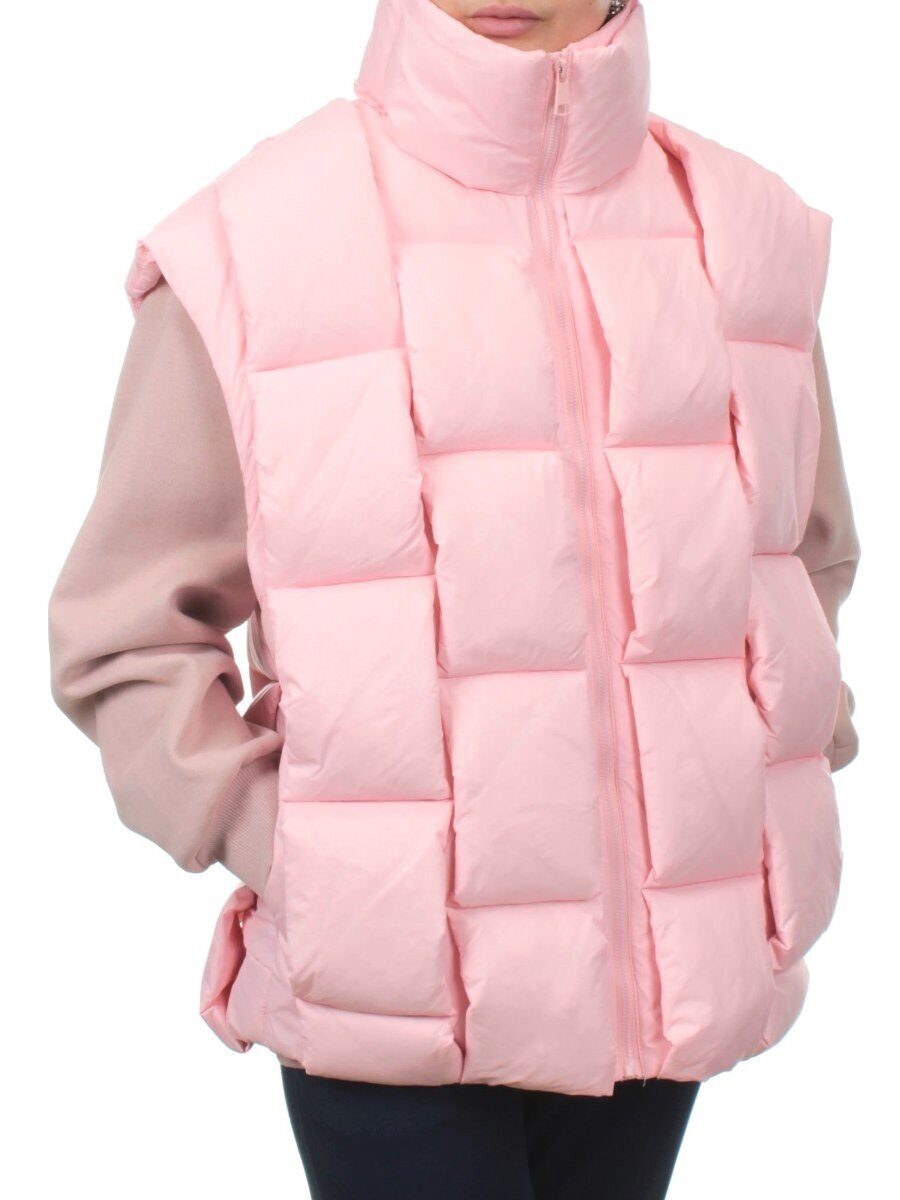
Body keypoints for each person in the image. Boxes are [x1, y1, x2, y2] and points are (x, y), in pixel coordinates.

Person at [49, 2, 860, 1196]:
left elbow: (800, 560)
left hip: (666, 977)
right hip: (393, 997)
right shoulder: (255, 244)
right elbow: (124, 633)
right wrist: (297, 849)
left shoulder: (744, 232)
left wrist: (754, 782)